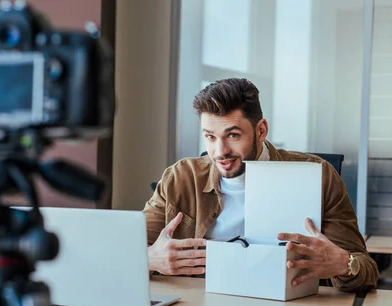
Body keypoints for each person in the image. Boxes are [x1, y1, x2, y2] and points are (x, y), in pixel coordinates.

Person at [142, 78, 378, 292]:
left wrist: (343, 263)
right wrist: (150, 259)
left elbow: (366, 270)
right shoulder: (180, 177)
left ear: (261, 130)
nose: (220, 151)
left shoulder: (319, 175)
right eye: (210, 137)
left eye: (233, 135)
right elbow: (123, 255)